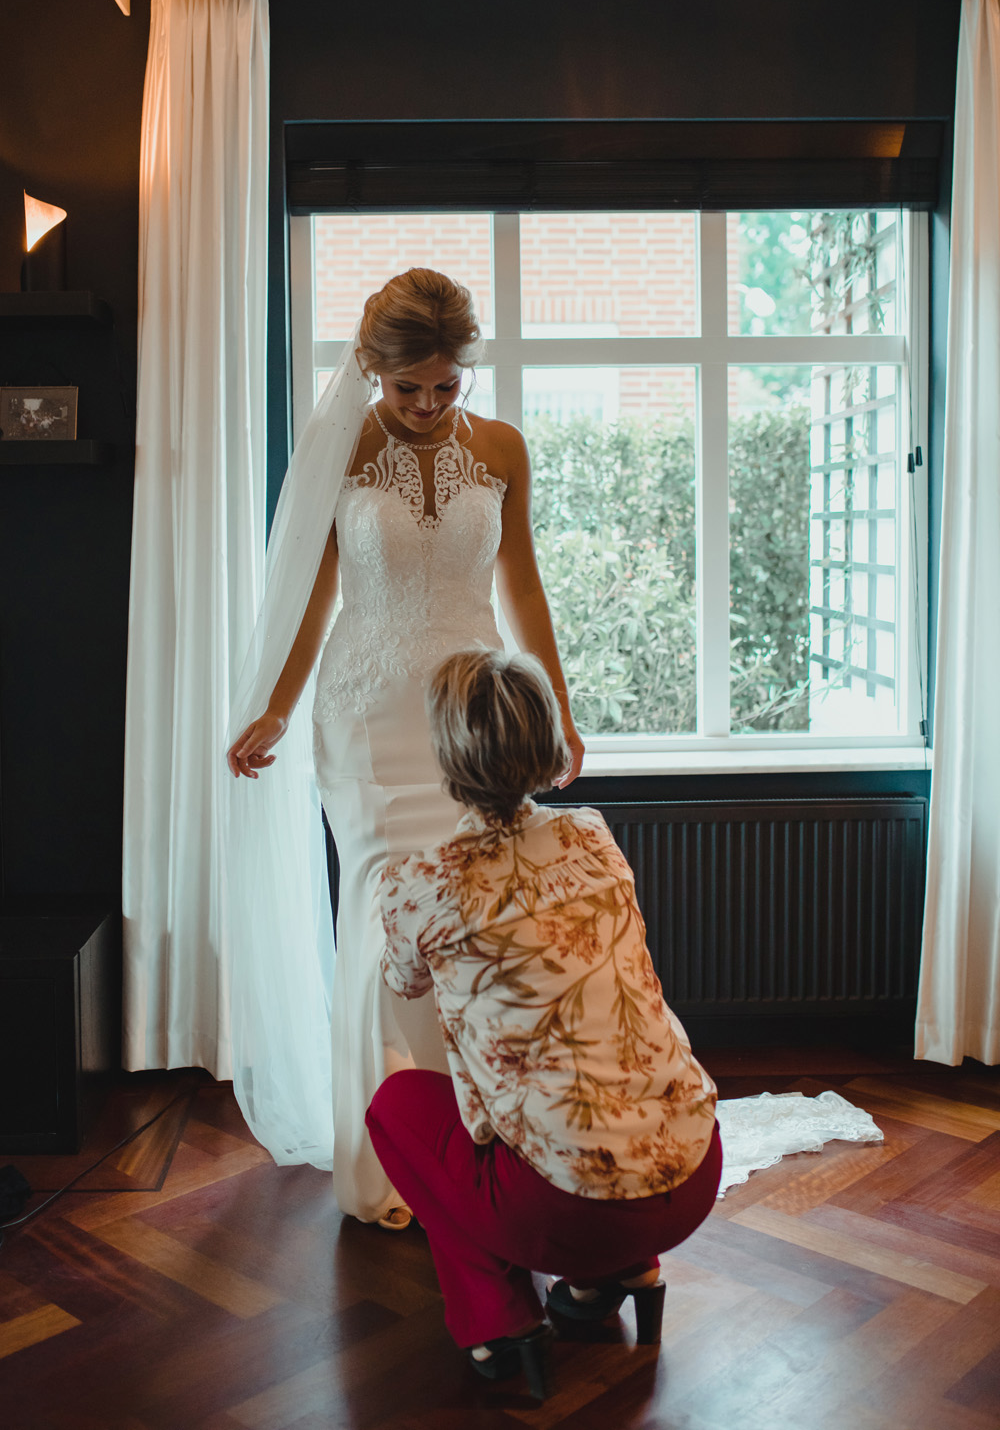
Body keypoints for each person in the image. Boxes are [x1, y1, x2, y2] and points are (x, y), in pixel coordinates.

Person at [227, 269, 584, 1228]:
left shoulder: (501, 449)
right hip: (367, 723)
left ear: (467, 369)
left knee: (477, 920)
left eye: (446, 385)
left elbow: (524, 586)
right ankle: (387, 1160)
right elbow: (312, 596)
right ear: (370, 370)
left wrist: (557, 710)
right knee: (386, 922)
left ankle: (485, 1148)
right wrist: (275, 707)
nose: (427, 404)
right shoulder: (342, 448)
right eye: (406, 387)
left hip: (473, 721)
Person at [367, 648, 721, 1398]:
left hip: (570, 1211)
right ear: (546, 739)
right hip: (695, 1168)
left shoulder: (419, 881)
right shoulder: (592, 835)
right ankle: (623, 1273)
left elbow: (402, 983)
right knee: (586, 1073)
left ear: (446, 753)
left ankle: (498, 1320)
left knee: (395, 1108)